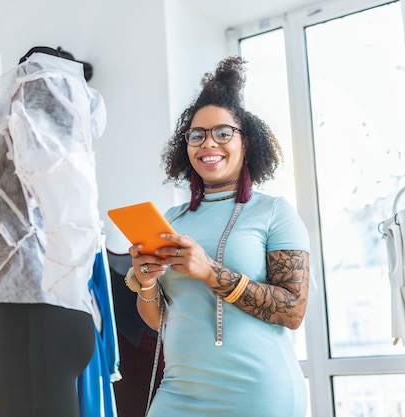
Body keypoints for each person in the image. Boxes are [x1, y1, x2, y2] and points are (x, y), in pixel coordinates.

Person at [124, 56, 311, 417]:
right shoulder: (171, 220)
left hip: (258, 393)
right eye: (197, 135)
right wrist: (146, 284)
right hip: (178, 392)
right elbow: (159, 319)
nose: (209, 144)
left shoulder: (274, 212)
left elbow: (293, 310)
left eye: (223, 133)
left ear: (247, 143)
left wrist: (211, 273)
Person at [0, 46, 107, 417]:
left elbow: (76, 225)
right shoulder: (1, 140)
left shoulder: (44, 143)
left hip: (47, 314)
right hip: (19, 310)